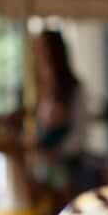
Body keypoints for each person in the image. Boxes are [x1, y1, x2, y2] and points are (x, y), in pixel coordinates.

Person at [31, 29, 90, 197]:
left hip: (65, 163)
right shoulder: (33, 90)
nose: (38, 54)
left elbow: (80, 133)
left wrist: (57, 153)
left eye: (42, 48)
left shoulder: (73, 89)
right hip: (39, 163)